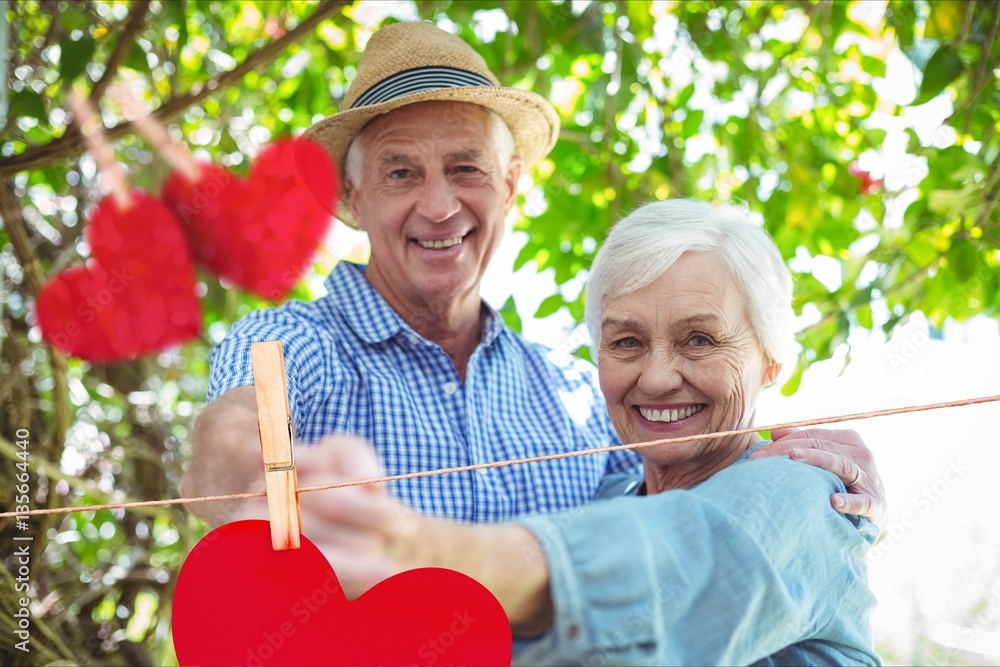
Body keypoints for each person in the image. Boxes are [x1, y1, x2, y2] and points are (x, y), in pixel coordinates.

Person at [180, 22, 885, 558]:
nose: (438, 206)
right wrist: (252, 467)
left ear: (510, 185)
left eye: (466, 168)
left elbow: (691, 504)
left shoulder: (579, 393)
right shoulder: (293, 343)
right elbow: (229, 434)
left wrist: (821, 482)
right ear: (354, 197)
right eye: (401, 174)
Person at [300, 199, 880, 666]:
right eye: (626, 341)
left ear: (772, 359)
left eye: (699, 340)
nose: (655, 378)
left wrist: (410, 552)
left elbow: (680, 566)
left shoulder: (807, 489)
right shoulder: (608, 497)